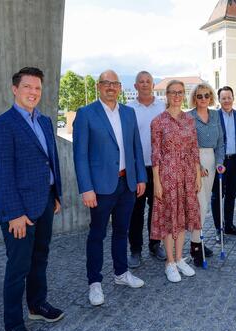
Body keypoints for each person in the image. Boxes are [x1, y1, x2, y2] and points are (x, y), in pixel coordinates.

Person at [0, 67, 64, 331]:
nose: (33, 92)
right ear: (15, 89)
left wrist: (55, 195)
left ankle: (36, 304)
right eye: (28, 87)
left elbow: (50, 160)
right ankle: (14, 325)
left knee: (40, 257)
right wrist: (15, 214)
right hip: (19, 210)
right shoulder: (1, 125)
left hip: (44, 203)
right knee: (18, 267)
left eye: (38, 88)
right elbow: (1, 172)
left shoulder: (43, 121)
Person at [73, 70, 147, 306]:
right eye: (106, 83)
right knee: (97, 235)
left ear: (120, 86)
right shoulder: (86, 114)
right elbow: (80, 155)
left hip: (127, 184)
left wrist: (141, 178)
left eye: (115, 83)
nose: (111, 87)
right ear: (98, 86)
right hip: (100, 187)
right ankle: (94, 283)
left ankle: (121, 273)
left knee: (122, 231)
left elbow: (136, 148)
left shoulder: (128, 112)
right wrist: (86, 188)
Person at [150, 80, 202, 282]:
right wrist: (157, 181)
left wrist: (197, 175)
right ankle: (169, 262)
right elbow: (155, 154)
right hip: (167, 174)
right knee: (169, 218)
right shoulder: (158, 121)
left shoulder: (189, 120)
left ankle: (180, 258)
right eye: (173, 92)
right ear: (166, 95)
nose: (177, 96)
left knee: (182, 218)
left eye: (180, 92)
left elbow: (194, 149)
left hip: (187, 174)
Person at [126, 71, 167, 268]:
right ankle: (135, 249)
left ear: (153, 84)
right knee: (136, 210)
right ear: (135, 86)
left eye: (148, 81)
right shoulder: (127, 109)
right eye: (141, 82)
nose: (144, 84)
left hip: (159, 168)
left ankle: (154, 244)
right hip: (137, 167)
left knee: (156, 209)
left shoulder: (162, 106)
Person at [187, 83, 224, 266]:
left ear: (211, 97)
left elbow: (221, 142)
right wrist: (197, 165)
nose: (203, 99)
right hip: (195, 163)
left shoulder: (216, 115)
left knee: (205, 204)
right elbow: (187, 145)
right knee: (199, 206)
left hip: (212, 161)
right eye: (199, 96)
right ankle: (195, 247)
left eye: (207, 95)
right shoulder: (189, 117)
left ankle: (198, 241)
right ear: (194, 98)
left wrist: (220, 162)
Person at [211, 86, 236, 241]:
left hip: (235, 162)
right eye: (223, 98)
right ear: (219, 100)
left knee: (231, 194)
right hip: (219, 162)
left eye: (229, 97)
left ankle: (229, 226)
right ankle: (219, 229)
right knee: (217, 195)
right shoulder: (213, 116)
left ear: (233, 98)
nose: (226, 100)